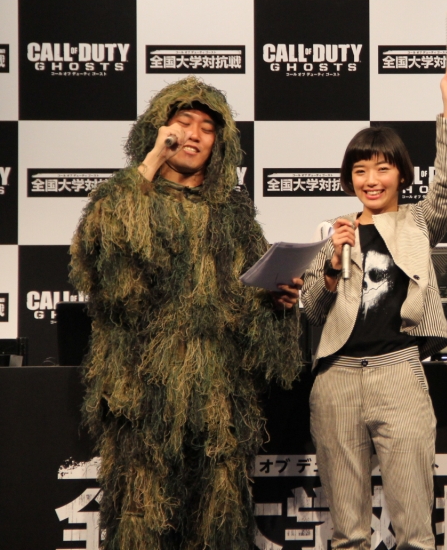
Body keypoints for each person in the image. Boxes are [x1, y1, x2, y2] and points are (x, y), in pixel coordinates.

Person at [69, 77, 303, 550]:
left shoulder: (233, 215)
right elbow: (99, 254)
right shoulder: (124, 197)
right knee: (140, 522)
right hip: (140, 397)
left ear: (221, 142)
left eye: (207, 128)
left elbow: (248, 308)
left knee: (218, 525)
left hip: (218, 402)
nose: (194, 135)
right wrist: (152, 159)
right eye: (183, 122)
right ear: (159, 127)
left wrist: (275, 302)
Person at [301, 63, 447, 549]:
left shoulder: (418, 221)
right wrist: (332, 266)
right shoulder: (335, 234)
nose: (370, 180)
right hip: (336, 379)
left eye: (382, 168)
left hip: (398, 374)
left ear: (400, 174)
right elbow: (311, 310)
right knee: (348, 534)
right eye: (360, 171)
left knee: (414, 531)